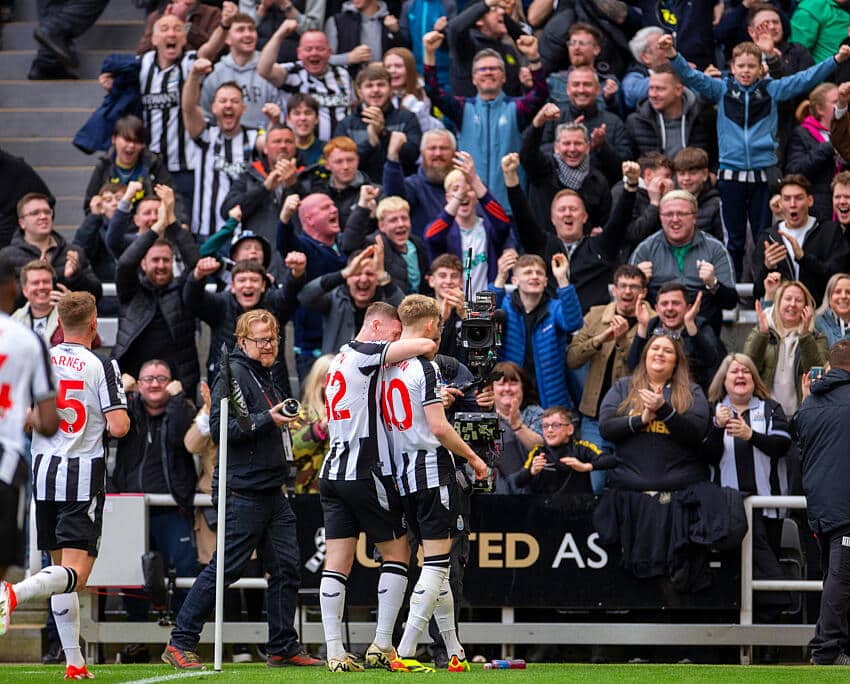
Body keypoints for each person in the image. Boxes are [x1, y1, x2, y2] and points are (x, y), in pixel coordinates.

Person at [163, 310, 322, 670]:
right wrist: (269, 419)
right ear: (242, 342)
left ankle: (282, 645)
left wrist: (275, 420)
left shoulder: (264, 373)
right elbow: (219, 430)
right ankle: (181, 641)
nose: (268, 346)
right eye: (261, 340)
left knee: (287, 568)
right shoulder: (231, 373)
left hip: (271, 489)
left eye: (273, 339)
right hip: (242, 490)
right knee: (225, 570)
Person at [0, 292, 129, 680]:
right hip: (82, 475)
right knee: (78, 573)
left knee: (58, 571)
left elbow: (26, 421)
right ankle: (14, 593)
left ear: (58, 322)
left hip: (43, 475)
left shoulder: (43, 359)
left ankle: (74, 662)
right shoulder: (100, 365)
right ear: (94, 324)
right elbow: (120, 426)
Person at [658, 33, 850, 278]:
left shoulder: (772, 90)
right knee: (734, 239)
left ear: (761, 68)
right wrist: (673, 55)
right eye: (741, 66)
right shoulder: (721, 90)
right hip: (731, 174)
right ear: (732, 67)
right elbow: (691, 77)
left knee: (764, 236)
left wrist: (835, 60)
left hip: (763, 173)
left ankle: (762, 286)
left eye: (751, 66)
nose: (746, 71)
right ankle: (733, 287)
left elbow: (805, 78)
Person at [318, 302, 438, 672]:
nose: (395, 339)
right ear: (374, 325)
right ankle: (382, 644)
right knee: (398, 552)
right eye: (392, 332)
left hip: (332, 471)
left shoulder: (338, 357)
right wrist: (425, 336)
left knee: (337, 561)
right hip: (364, 472)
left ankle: (335, 652)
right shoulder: (365, 352)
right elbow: (421, 346)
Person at [384, 294, 488, 673]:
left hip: (402, 474)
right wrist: (475, 459)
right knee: (438, 564)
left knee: (436, 565)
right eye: (441, 328)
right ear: (430, 327)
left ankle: (454, 648)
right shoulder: (425, 368)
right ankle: (407, 647)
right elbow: (439, 428)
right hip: (432, 471)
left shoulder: (387, 367)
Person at [703, 353, 795, 626]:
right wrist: (718, 429)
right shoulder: (712, 411)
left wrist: (750, 435)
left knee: (765, 567)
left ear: (755, 380)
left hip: (768, 507)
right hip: (728, 511)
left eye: (746, 371)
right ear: (724, 380)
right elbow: (705, 455)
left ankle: (768, 637)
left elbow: (782, 445)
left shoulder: (770, 409)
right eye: (734, 372)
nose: (741, 376)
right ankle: (758, 624)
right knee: (736, 576)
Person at [423, 31, 548, 213]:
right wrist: (429, 53)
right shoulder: (462, 109)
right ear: (474, 79)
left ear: (504, 77)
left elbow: (540, 94)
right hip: (472, 210)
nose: (488, 72)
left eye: (494, 68)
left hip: (510, 209)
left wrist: (533, 57)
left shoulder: (517, 108)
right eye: (482, 69)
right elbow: (433, 91)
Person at [112, 361, 198, 620]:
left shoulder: (182, 409)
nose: (154, 384)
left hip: (172, 507)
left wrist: (177, 399)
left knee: (185, 569)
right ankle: (135, 633)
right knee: (132, 573)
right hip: (131, 508)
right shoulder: (128, 410)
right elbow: (106, 428)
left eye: (161, 378)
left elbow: (178, 437)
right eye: (148, 378)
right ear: (138, 384)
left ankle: (183, 633)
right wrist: (118, 391)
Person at [503, 154, 639, 311]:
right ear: (552, 219)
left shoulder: (600, 246)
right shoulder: (542, 245)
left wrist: (631, 186)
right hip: (549, 327)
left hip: (591, 328)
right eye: (562, 210)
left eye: (573, 209)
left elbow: (619, 222)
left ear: (584, 217)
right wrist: (511, 178)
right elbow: (523, 217)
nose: (567, 213)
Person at [0, 257, 58, 581]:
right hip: (5, 462)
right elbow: (49, 423)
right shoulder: (27, 340)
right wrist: (29, 416)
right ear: (14, 288)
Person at [112, 186, 201, 396]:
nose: (160, 265)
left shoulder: (183, 290)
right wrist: (156, 228)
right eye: (155, 260)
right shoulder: (131, 290)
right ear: (143, 263)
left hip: (175, 388)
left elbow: (196, 264)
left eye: (166, 260)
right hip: (131, 385)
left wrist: (171, 222)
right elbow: (124, 264)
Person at [567, 264, 649, 491]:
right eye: (622, 286)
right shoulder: (595, 315)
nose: (627, 292)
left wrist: (623, 343)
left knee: (632, 485)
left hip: (633, 418)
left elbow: (642, 369)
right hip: (594, 417)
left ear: (643, 292)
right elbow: (572, 359)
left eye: (634, 287)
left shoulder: (651, 320)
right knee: (596, 484)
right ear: (614, 290)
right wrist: (599, 339)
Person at [794, 339, 850, 665]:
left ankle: (835, 647)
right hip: (844, 504)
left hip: (822, 505)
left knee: (836, 577)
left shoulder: (810, 402)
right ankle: (826, 651)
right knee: (841, 578)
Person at [629, 189, 738, 335]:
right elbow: (627, 304)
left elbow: (730, 303)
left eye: (681, 214)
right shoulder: (645, 250)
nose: (674, 219)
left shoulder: (715, 249)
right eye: (668, 214)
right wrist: (641, 283)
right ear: (660, 218)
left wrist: (713, 284)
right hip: (656, 335)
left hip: (701, 334)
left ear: (694, 217)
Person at [182, 65, 264, 239]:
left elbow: (274, 146)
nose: (228, 105)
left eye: (235, 101)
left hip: (243, 234)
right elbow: (188, 108)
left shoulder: (254, 137)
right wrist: (194, 75)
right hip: (206, 232)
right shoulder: (205, 135)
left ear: (243, 108)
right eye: (223, 101)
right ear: (213, 108)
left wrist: (275, 121)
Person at [493, 253, 583, 408]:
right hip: (510, 393)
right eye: (528, 272)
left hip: (550, 396)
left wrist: (562, 279)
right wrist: (501, 277)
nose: (534, 277)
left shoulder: (554, 308)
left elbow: (573, 323)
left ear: (546, 281)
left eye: (539, 273)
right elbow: (485, 320)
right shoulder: (505, 307)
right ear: (515, 281)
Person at [425, 152, 513, 296]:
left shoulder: (487, 227)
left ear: (477, 196)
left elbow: (503, 223)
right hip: (454, 303)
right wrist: (458, 196)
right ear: (447, 198)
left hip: (485, 301)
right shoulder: (443, 230)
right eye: (456, 189)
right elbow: (431, 237)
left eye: (469, 189)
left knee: (481, 318)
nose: (464, 193)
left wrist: (474, 181)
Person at [753, 175, 849, 304]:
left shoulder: (829, 231)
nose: (793, 204)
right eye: (787, 199)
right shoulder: (768, 237)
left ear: (810, 200)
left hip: (820, 312)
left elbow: (836, 278)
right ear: (780, 203)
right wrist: (767, 267)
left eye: (798, 198)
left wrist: (804, 258)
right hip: (782, 315)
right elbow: (757, 291)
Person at [298, 241, 405, 354]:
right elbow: (304, 296)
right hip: (337, 368)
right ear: (347, 279)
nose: (363, 279)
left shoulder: (387, 303)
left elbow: (408, 315)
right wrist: (343, 273)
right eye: (357, 273)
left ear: (377, 280)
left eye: (369, 274)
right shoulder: (335, 298)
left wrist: (384, 277)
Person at [82, 116, 189, 227]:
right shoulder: (104, 166)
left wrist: (182, 223)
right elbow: (89, 205)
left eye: (137, 141)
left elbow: (171, 195)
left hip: (146, 230)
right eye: (127, 140)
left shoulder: (153, 164)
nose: (131, 146)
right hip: (109, 230)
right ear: (114, 139)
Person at [744, 279, 828, 417]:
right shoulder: (763, 331)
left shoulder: (817, 337)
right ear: (778, 302)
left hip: (801, 414)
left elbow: (817, 375)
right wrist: (762, 335)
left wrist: (805, 336)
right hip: (765, 414)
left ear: (806, 307)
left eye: (798, 300)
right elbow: (748, 367)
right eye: (788, 299)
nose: (792, 304)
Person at [1, 193, 102, 303]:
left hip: (65, 319)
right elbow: (4, 298)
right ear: (22, 223)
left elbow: (96, 294)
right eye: (35, 213)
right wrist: (34, 286)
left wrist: (76, 277)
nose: (43, 216)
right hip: (21, 320)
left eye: (47, 212)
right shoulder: (7, 256)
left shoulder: (73, 252)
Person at [258, 28, 354, 141]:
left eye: (320, 49)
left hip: (339, 151)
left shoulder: (343, 74)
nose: (314, 53)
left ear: (329, 52)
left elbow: (352, 105)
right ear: (299, 53)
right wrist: (280, 34)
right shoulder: (291, 73)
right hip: (300, 152)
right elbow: (264, 70)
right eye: (308, 49)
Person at [627, 282, 725, 391]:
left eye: (676, 303)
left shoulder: (700, 326)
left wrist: (690, 325)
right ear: (657, 309)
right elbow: (633, 367)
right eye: (664, 304)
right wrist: (642, 326)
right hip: (652, 391)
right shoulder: (650, 326)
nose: (669, 308)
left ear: (688, 308)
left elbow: (711, 362)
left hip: (692, 394)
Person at [521, 114, 611, 231]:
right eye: (566, 144)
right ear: (556, 147)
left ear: (587, 147)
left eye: (578, 143)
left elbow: (602, 222)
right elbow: (527, 154)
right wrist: (539, 122)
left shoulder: (598, 181)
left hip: (582, 246)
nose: (572, 149)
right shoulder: (542, 168)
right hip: (543, 246)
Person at [333, 64, 422, 182]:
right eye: (369, 86)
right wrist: (370, 143)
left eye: (381, 84)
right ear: (360, 92)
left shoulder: (407, 118)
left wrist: (383, 134)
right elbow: (341, 162)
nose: (375, 90)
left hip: (400, 187)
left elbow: (412, 156)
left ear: (391, 89)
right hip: (359, 191)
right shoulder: (346, 125)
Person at [198, 12, 287, 130]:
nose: (248, 34)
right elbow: (206, 116)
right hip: (225, 142)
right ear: (227, 39)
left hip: (262, 141)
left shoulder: (269, 70)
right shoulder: (216, 74)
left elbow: (281, 113)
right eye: (241, 30)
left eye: (251, 29)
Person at [220, 124, 300, 252]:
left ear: (295, 147)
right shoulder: (249, 175)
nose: (283, 146)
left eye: (288, 141)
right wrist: (264, 188)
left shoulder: (310, 175)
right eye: (277, 141)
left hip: (296, 254)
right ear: (266, 148)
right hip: (258, 255)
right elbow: (227, 211)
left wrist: (293, 186)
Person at [339, 185, 430, 295]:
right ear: (381, 225)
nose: (401, 224)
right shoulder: (375, 245)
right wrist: (363, 206)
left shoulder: (417, 244)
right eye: (393, 220)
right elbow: (349, 245)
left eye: (404, 218)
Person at [625, 64, 716, 166]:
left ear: (678, 90)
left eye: (660, 89)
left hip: (695, 180)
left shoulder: (703, 116)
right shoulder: (636, 121)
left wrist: (712, 173)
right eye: (651, 88)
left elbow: (716, 151)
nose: (653, 94)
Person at [514, 405, 614, 496]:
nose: (549, 430)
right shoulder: (538, 452)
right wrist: (532, 471)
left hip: (578, 508)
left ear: (570, 429)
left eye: (556, 425)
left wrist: (586, 466)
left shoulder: (581, 448)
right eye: (545, 426)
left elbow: (611, 460)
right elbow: (518, 482)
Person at [382, 128, 458, 237]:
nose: (438, 153)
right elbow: (393, 199)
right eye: (432, 148)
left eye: (444, 148)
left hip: (466, 252)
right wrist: (392, 156)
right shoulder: (412, 186)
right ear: (422, 153)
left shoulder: (467, 187)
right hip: (426, 252)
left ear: (455, 153)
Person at [786, 83, 843, 223]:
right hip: (818, 208)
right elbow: (795, 171)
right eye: (836, 102)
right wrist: (829, 147)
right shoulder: (802, 134)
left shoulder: (846, 133)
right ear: (820, 109)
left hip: (843, 204)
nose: (841, 106)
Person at [444, 0, 526, 97]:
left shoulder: (508, 49)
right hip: (471, 110)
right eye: (494, 9)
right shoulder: (466, 45)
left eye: (501, 9)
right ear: (479, 20)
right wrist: (487, 3)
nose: (502, 12)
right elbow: (455, 28)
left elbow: (525, 39)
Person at [296, 136, 372, 229]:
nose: (345, 166)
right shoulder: (318, 194)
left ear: (358, 160)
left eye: (350, 160)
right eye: (338, 161)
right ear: (327, 165)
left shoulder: (374, 194)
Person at [383, 47, 443, 133]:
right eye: (388, 67)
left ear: (410, 69)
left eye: (398, 66)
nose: (392, 71)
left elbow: (435, 129)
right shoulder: (379, 96)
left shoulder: (424, 92)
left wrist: (418, 111)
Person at [622, 26, 666, 110]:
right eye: (662, 46)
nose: (669, 49)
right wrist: (676, 73)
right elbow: (632, 94)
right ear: (646, 57)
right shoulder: (634, 77)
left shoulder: (679, 65)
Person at [286, 93, 325, 168]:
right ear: (288, 119)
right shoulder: (283, 150)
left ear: (317, 119)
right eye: (297, 113)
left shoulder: (327, 150)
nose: (303, 118)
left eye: (308, 113)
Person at [815, 272, 850, 346]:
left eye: (848, 292)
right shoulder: (816, 324)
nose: (843, 296)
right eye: (837, 292)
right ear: (829, 297)